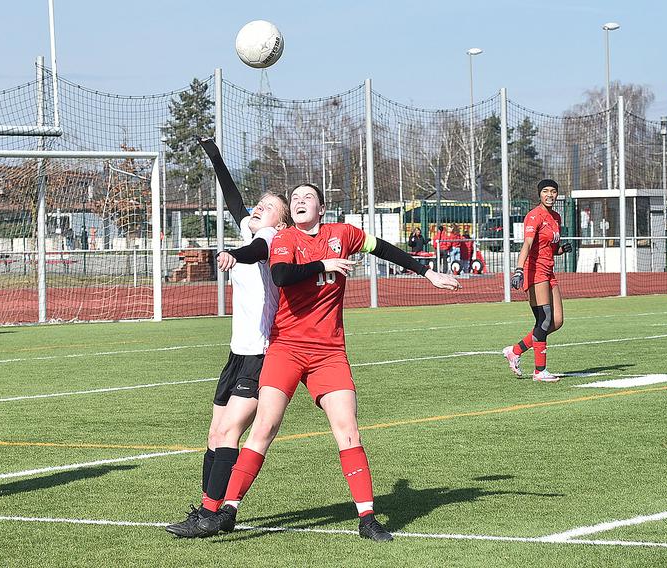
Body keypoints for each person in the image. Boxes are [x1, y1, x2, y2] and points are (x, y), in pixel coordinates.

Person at [194, 183, 460, 542]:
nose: (300, 201)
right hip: (286, 348)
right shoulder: (285, 238)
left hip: (329, 353)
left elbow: (383, 248)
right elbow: (281, 275)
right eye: (296, 198)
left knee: (347, 428)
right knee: (265, 428)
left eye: (308, 198)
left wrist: (428, 273)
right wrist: (324, 263)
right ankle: (228, 510)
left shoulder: (343, 234)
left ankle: (367, 519)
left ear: (322, 208)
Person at [165, 139, 293, 537]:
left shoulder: (273, 240)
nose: (259, 208)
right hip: (236, 353)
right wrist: (216, 157)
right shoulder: (250, 225)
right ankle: (205, 509)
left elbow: (255, 250)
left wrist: (235, 254)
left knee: (227, 432)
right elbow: (234, 198)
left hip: (260, 354)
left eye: (269, 206)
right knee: (213, 434)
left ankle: (209, 516)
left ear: (282, 221)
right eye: (260, 203)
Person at [503, 179, 572, 382]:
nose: (549, 195)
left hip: (549, 272)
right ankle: (539, 371)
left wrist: (560, 250)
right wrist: (518, 270)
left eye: (553, 191)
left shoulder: (556, 217)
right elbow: (527, 244)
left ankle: (515, 351)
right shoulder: (534, 216)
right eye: (545, 191)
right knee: (544, 319)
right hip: (534, 272)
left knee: (556, 321)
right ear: (539, 194)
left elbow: (549, 248)